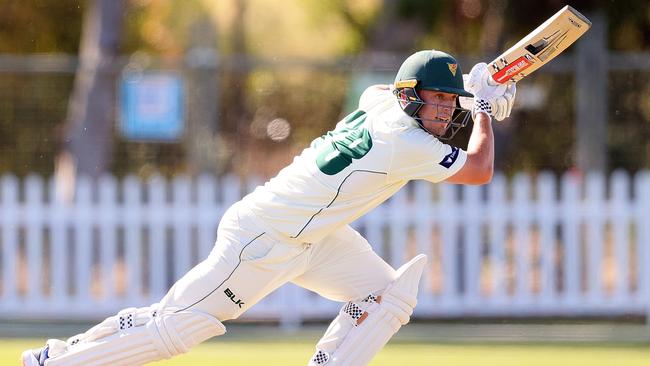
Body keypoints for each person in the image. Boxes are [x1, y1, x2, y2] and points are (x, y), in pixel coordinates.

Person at [22, 50, 515, 366]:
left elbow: (393, 92)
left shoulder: (379, 99)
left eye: (452, 103)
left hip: (317, 238)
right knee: (177, 328)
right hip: (264, 239)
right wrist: (485, 112)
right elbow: (479, 170)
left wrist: (470, 95)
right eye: (438, 101)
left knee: (389, 296)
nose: (446, 111)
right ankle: (61, 363)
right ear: (410, 99)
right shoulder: (405, 141)